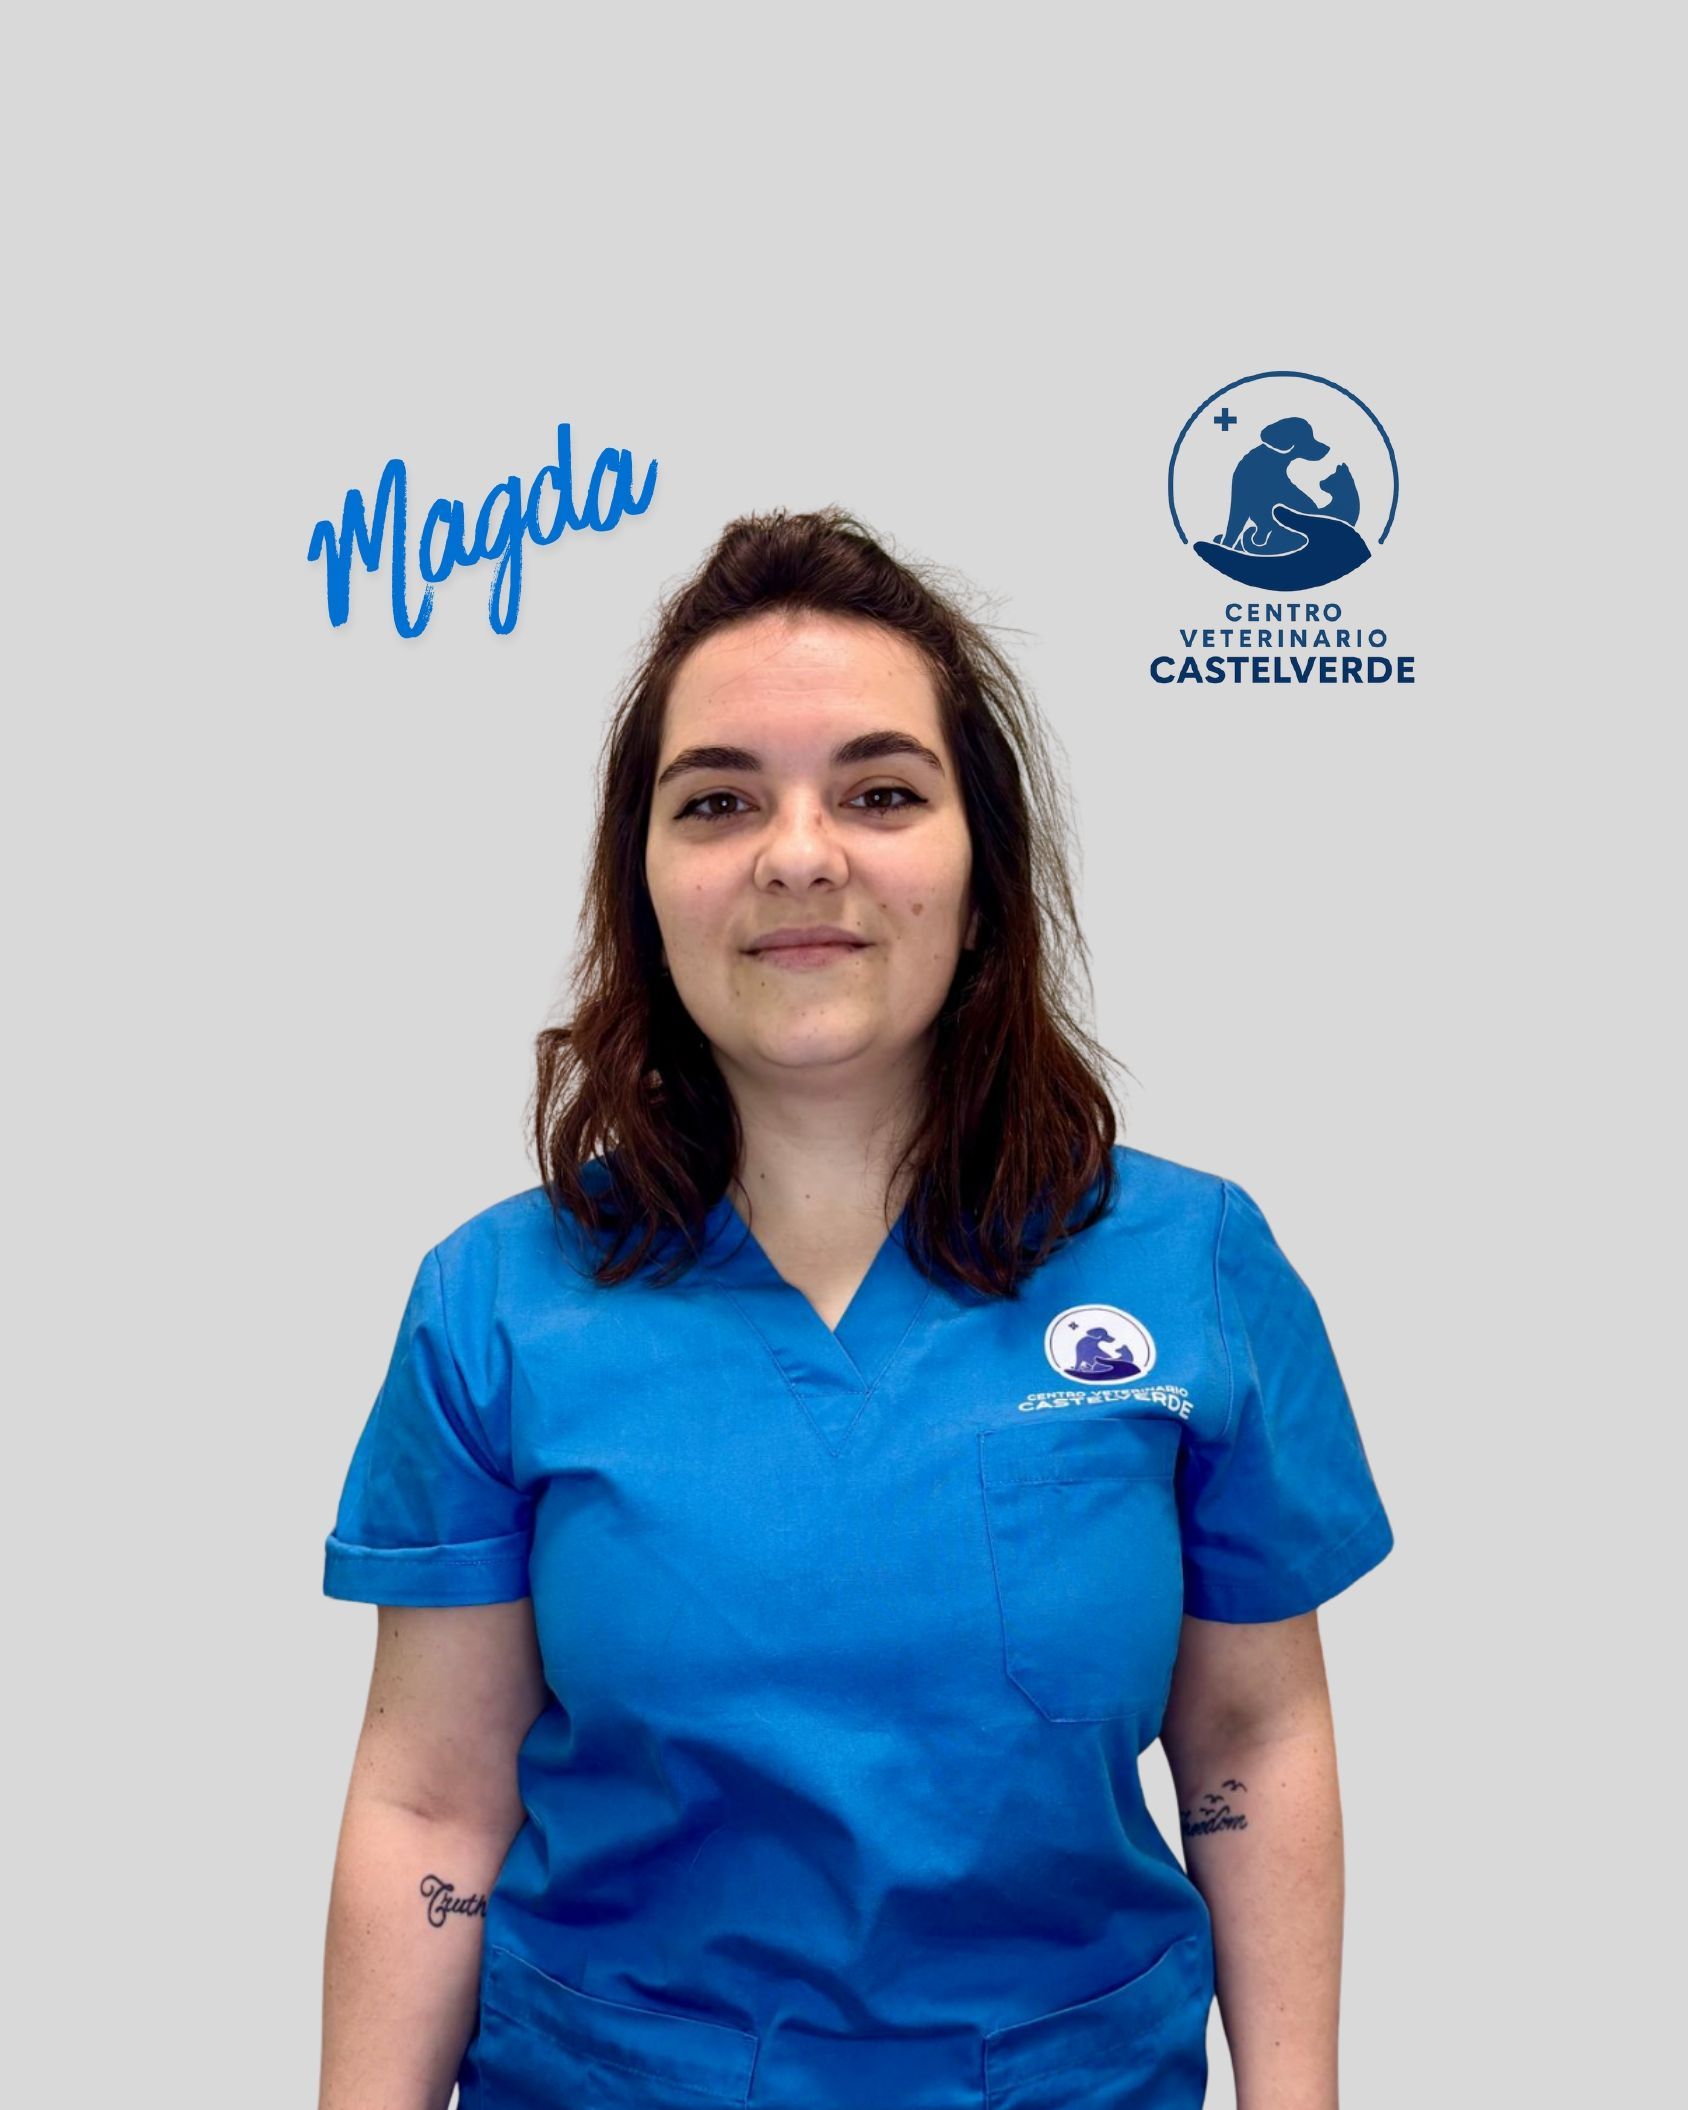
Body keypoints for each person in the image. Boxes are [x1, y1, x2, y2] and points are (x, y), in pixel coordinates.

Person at [319, 506, 1395, 2110]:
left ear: (983, 871)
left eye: (882, 791)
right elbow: (430, 1801)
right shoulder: (496, 1307)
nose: (799, 853)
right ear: (645, 881)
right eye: (719, 799)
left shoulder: (1193, 1268)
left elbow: (1250, 1743)